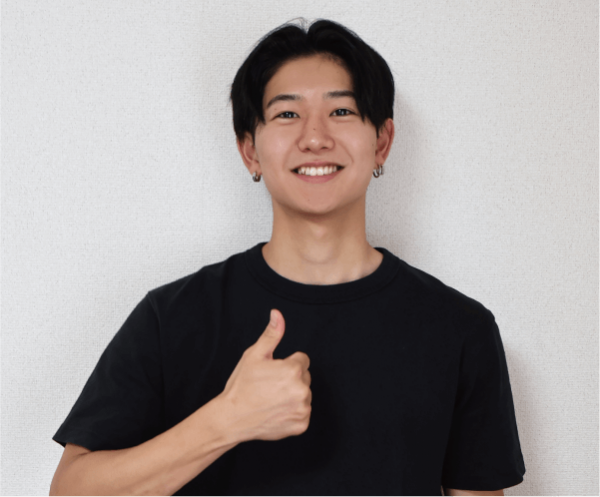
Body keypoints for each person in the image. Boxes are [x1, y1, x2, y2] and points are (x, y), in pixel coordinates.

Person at [49, 18, 526, 496]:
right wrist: (227, 419)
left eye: (341, 111)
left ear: (381, 142)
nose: (315, 138)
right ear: (249, 151)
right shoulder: (173, 317)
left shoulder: (460, 329)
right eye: (287, 114)